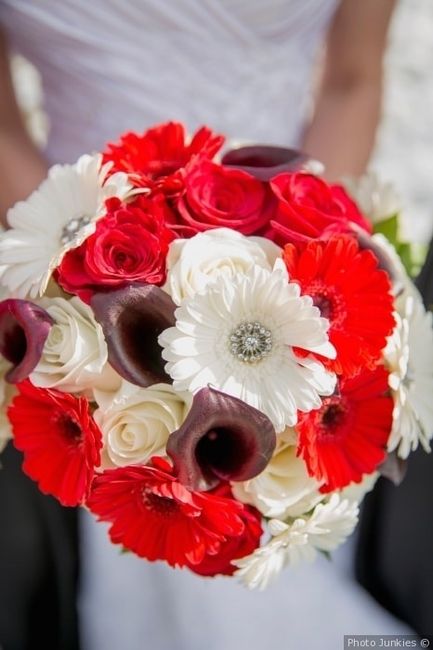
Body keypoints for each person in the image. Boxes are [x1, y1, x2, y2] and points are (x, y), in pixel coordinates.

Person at [0, 2, 406, 649]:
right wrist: (75, 277)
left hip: (292, 258)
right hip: (74, 251)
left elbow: (350, 80)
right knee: (140, 500)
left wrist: (305, 254)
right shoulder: (74, 275)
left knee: (283, 503)